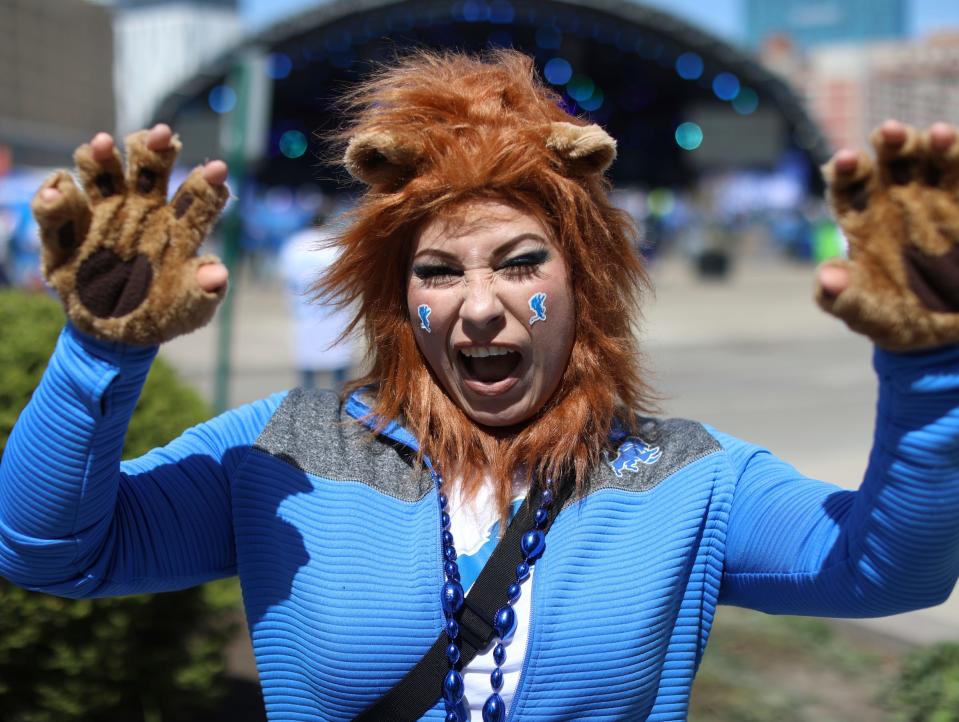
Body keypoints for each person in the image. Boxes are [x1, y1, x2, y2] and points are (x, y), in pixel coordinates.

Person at [1, 50, 958, 722]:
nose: (480, 308)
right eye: (438, 272)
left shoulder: (689, 479)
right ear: (395, 297)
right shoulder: (284, 454)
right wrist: (98, 351)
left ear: (584, 287)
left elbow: (891, 571)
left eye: (519, 262)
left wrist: (927, 371)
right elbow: (49, 552)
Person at [278, 210, 355, 390]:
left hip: (306, 313)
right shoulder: (336, 244)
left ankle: (307, 409)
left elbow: (286, 278)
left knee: (307, 374)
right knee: (339, 377)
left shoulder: (295, 244)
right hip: (335, 314)